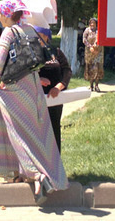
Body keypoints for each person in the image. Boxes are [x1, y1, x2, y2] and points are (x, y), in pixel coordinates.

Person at [0, 0, 68, 205]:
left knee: (18, 133)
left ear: (6, 14)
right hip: (33, 87)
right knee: (36, 133)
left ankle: (37, 175)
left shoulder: (8, 32)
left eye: (0, 13)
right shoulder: (30, 29)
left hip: (13, 89)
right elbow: (35, 59)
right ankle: (31, 173)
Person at [36, 25, 72, 154]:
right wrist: (37, 81)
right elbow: (25, 73)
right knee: (38, 131)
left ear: (46, 35)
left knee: (54, 128)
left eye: (39, 33)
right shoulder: (30, 53)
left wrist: (59, 86)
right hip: (37, 97)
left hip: (55, 98)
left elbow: (67, 70)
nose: (36, 36)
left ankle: (55, 165)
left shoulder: (56, 52)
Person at [83, 18, 104, 92]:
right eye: (91, 23)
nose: (92, 24)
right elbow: (84, 39)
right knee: (91, 68)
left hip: (98, 51)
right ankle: (91, 86)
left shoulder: (99, 30)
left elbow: (100, 39)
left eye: (94, 23)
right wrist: (90, 47)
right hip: (89, 53)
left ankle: (97, 86)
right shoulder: (87, 30)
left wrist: (96, 47)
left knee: (98, 68)